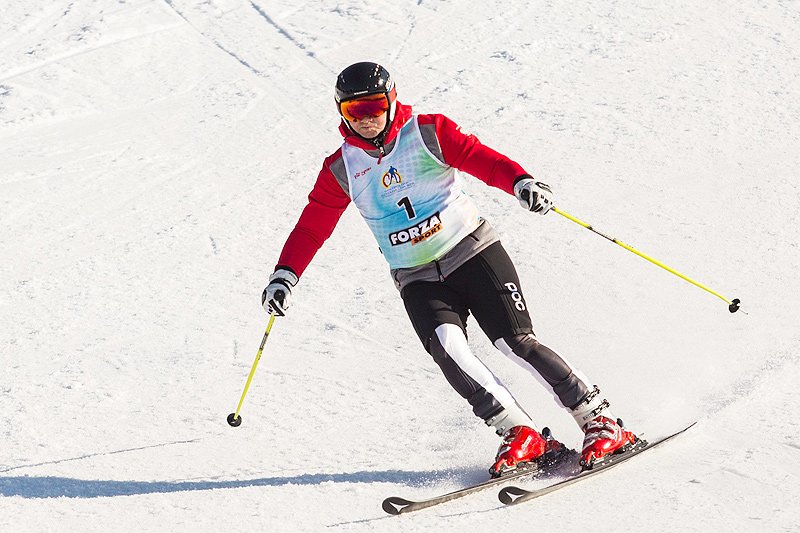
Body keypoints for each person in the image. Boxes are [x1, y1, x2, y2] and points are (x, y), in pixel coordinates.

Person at [263, 61, 637, 475]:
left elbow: (482, 159)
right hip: (417, 276)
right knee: (448, 349)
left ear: (391, 100)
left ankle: (598, 420)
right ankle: (520, 433)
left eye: (373, 106)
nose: (367, 120)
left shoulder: (427, 133)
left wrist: (520, 182)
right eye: (354, 112)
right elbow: (313, 223)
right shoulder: (341, 168)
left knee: (515, 342)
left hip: (473, 252)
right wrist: (286, 274)